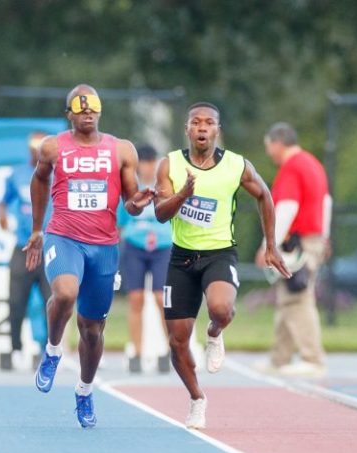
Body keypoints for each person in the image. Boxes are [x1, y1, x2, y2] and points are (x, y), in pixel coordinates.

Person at [24, 84, 155, 428]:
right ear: (69, 114)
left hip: (104, 245)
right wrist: (37, 229)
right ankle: (52, 351)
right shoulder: (52, 147)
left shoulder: (121, 150)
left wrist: (138, 204)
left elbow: (130, 201)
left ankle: (84, 390)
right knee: (65, 293)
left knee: (93, 330)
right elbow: (39, 181)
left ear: (100, 111)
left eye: (92, 107)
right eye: (80, 108)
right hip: (64, 236)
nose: (87, 113)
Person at [154, 102, 291, 429]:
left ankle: (215, 333)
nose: (202, 128)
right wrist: (183, 195)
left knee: (221, 309)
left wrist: (271, 244)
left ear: (217, 130)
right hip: (182, 256)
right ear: (187, 129)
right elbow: (161, 213)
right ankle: (197, 399)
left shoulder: (235, 166)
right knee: (177, 340)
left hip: (219, 254)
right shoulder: (169, 164)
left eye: (209, 123)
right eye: (196, 122)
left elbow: (265, 195)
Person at [254, 122, 331, 377]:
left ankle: (312, 359)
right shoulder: (312, 164)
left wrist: (269, 246)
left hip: (300, 243)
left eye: (269, 147)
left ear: (278, 143)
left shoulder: (291, 168)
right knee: (289, 296)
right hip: (314, 238)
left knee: (298, 298)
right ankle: (280, 358)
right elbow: (326, 202)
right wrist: (325, 235)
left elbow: (286, 207)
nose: (269, 153)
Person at [0, 131, 51, 370]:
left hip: (51, 248)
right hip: (24, 246)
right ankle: (16, 347)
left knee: (53, 302)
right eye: (33, 147)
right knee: (17, 300)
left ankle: (49, 349)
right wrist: (2, 217)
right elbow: (3, 201)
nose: (37, 151)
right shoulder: (17, 174)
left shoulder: (59, 174)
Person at [117, 143, 172, 373]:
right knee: (136, 300)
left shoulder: (166, 185)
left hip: (162, 247)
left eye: (152, 162)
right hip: (135, 247)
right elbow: (121, 222)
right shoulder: (130, 186)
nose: (148, 167)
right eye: (144, 162)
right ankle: (137, 353)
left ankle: (169, 351)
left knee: (162, 299)